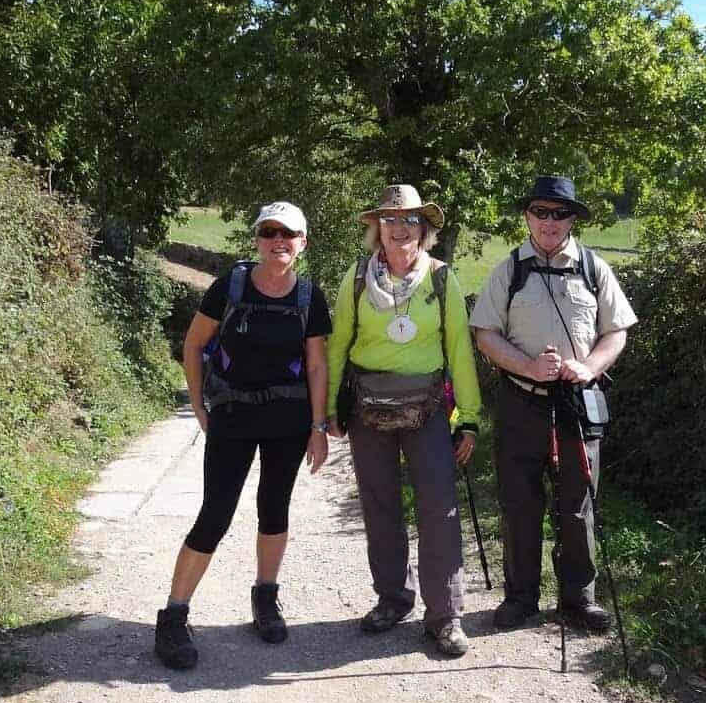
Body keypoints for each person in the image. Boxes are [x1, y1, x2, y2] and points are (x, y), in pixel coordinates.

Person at [154, 201, 332, 670]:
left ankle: (265, 597)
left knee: (275, 509)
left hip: (288, 420)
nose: (278, 242)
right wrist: (197, 404)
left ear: (302, 242)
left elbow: (316, 364)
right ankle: (173, 616)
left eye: (287, 234)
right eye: (269, 232)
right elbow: (193, 345)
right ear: (257, 239)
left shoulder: (310, 297)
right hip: (233, 414)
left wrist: (318, 426)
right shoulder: (229, 286)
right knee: (215, 513)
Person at [469, 175, 637, 632]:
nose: (548, 221)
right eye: (540, 212)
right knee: (519, 503)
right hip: (522, 403)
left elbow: (616, 331)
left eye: (558, 213)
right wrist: (526, 366)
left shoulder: (593, 267)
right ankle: (521, 599)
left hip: (578, 404)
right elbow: (485, 334)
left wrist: (589, 367)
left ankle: (578, 600)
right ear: (527, 216)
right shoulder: (509, 270)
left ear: (572, 219)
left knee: (578, 503)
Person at [326, 184, 481, 657]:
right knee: (379, 507)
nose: (400, 229)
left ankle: (445, 616)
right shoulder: (356, 278)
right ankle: (392, 599)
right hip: (368, 408)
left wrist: (469, 417)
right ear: (378, 229)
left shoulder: (440, 279)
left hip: (429, 410)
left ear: (425, 230)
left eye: (411, 221)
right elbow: (338, 346)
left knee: (439, 509)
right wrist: (331, 407)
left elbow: (459, 348)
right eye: (391, 221)